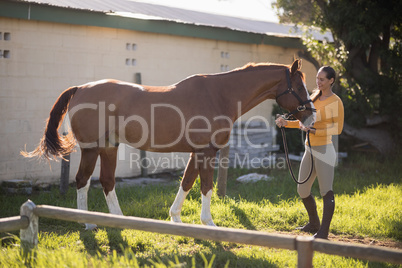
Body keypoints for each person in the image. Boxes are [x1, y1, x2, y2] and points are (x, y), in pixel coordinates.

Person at [275, 66, 344, 239]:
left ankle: (323, 232)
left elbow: (338, 128)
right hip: (309, 148)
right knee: (302, 189)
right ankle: (314, 224)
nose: (318, 82)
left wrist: (314, 132)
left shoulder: (336, 101)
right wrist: (286, 123)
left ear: (331, 81)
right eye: (317, 79)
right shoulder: (313, 98)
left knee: (326, 191)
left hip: (324, 150)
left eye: (322, 79)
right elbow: (303, 122)